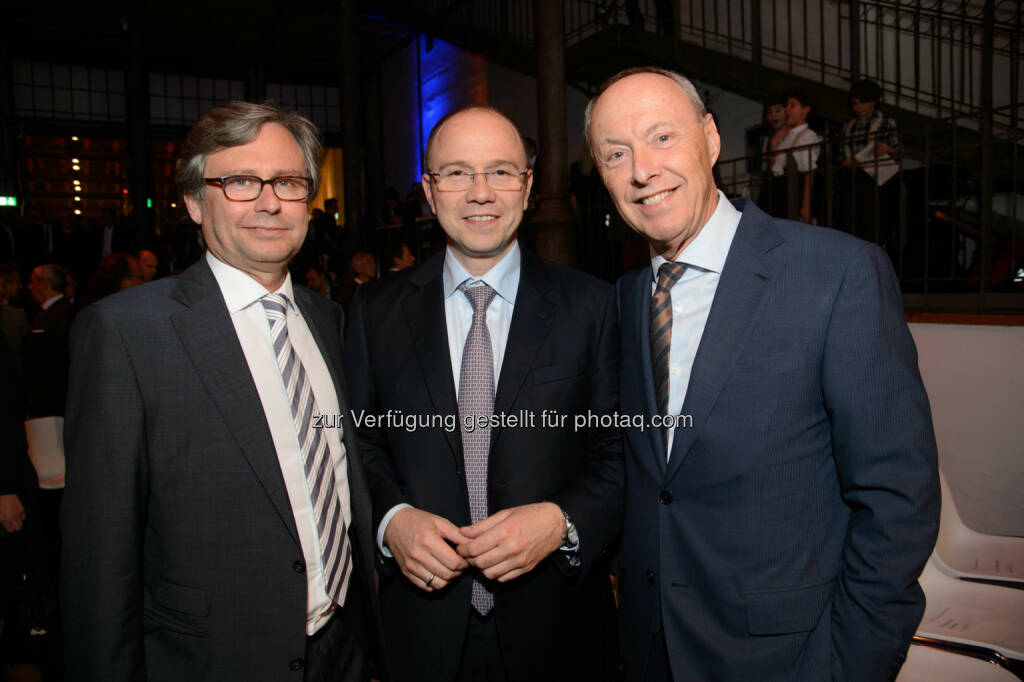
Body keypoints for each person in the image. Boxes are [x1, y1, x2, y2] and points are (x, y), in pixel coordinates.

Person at [585, 66, 939, 682]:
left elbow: (896, 499)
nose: (642, 169)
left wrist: (851, 664)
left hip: (788, 659)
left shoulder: (837, 274)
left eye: (662, 137)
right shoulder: (623, 298)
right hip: (650, 651)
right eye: (617, 153)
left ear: (712, 138)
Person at [61, 101, 386, 682]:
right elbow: (99, 551)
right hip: (213, 658)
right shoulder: (127, 330)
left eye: (288, 181)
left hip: (347, 647)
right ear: (193, 201)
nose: (269, 201)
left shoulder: (330, 319)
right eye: (240, 181)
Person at [345, 105, 622, 682]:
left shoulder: (592, 307)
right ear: (429, 190)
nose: (480, 193)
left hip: (558, 629)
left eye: (500, 172)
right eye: (457, 173)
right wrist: (391, 519)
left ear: (526, 188)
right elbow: (359, 445)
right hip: (419, 633)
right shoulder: (374, 313)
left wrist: (561, 520)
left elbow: (620, 453)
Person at [836, 79, 901, 255]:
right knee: (853, 220)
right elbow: (842, 156)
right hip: (855, 177)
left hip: (878, 178)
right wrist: (850, 162)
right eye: (855, 104)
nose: (858, 108)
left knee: (876, 221)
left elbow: (896, 150)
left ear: (873, 101)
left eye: (862, 103)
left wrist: (887, 149)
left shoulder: (885, 121)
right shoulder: (849, 126)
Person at [766, 91, 821, 223]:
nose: (788, 110)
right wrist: (774, 144)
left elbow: (809, 173)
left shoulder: (808, 135)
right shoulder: (786, 136)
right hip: (781, 189)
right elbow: (775, 168)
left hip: (795, 190)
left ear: (806, 109)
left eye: (793, 105)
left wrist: (806, 204)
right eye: (787, 106)